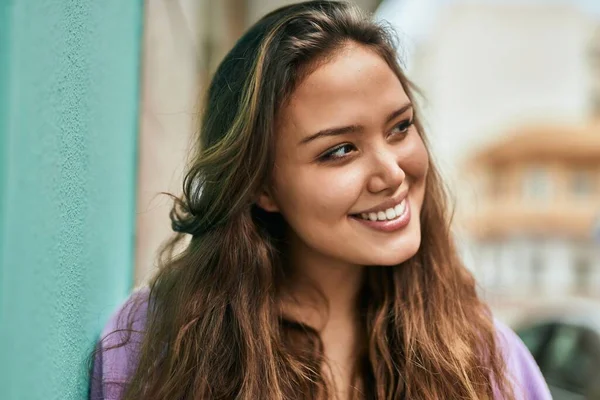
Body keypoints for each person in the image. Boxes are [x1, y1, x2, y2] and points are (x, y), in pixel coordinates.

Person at [90, 1, 551, 399]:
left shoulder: (488, 358)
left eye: (400, 127)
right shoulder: (155, 340)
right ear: (260, 186)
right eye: (340, 150)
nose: (392, 171)